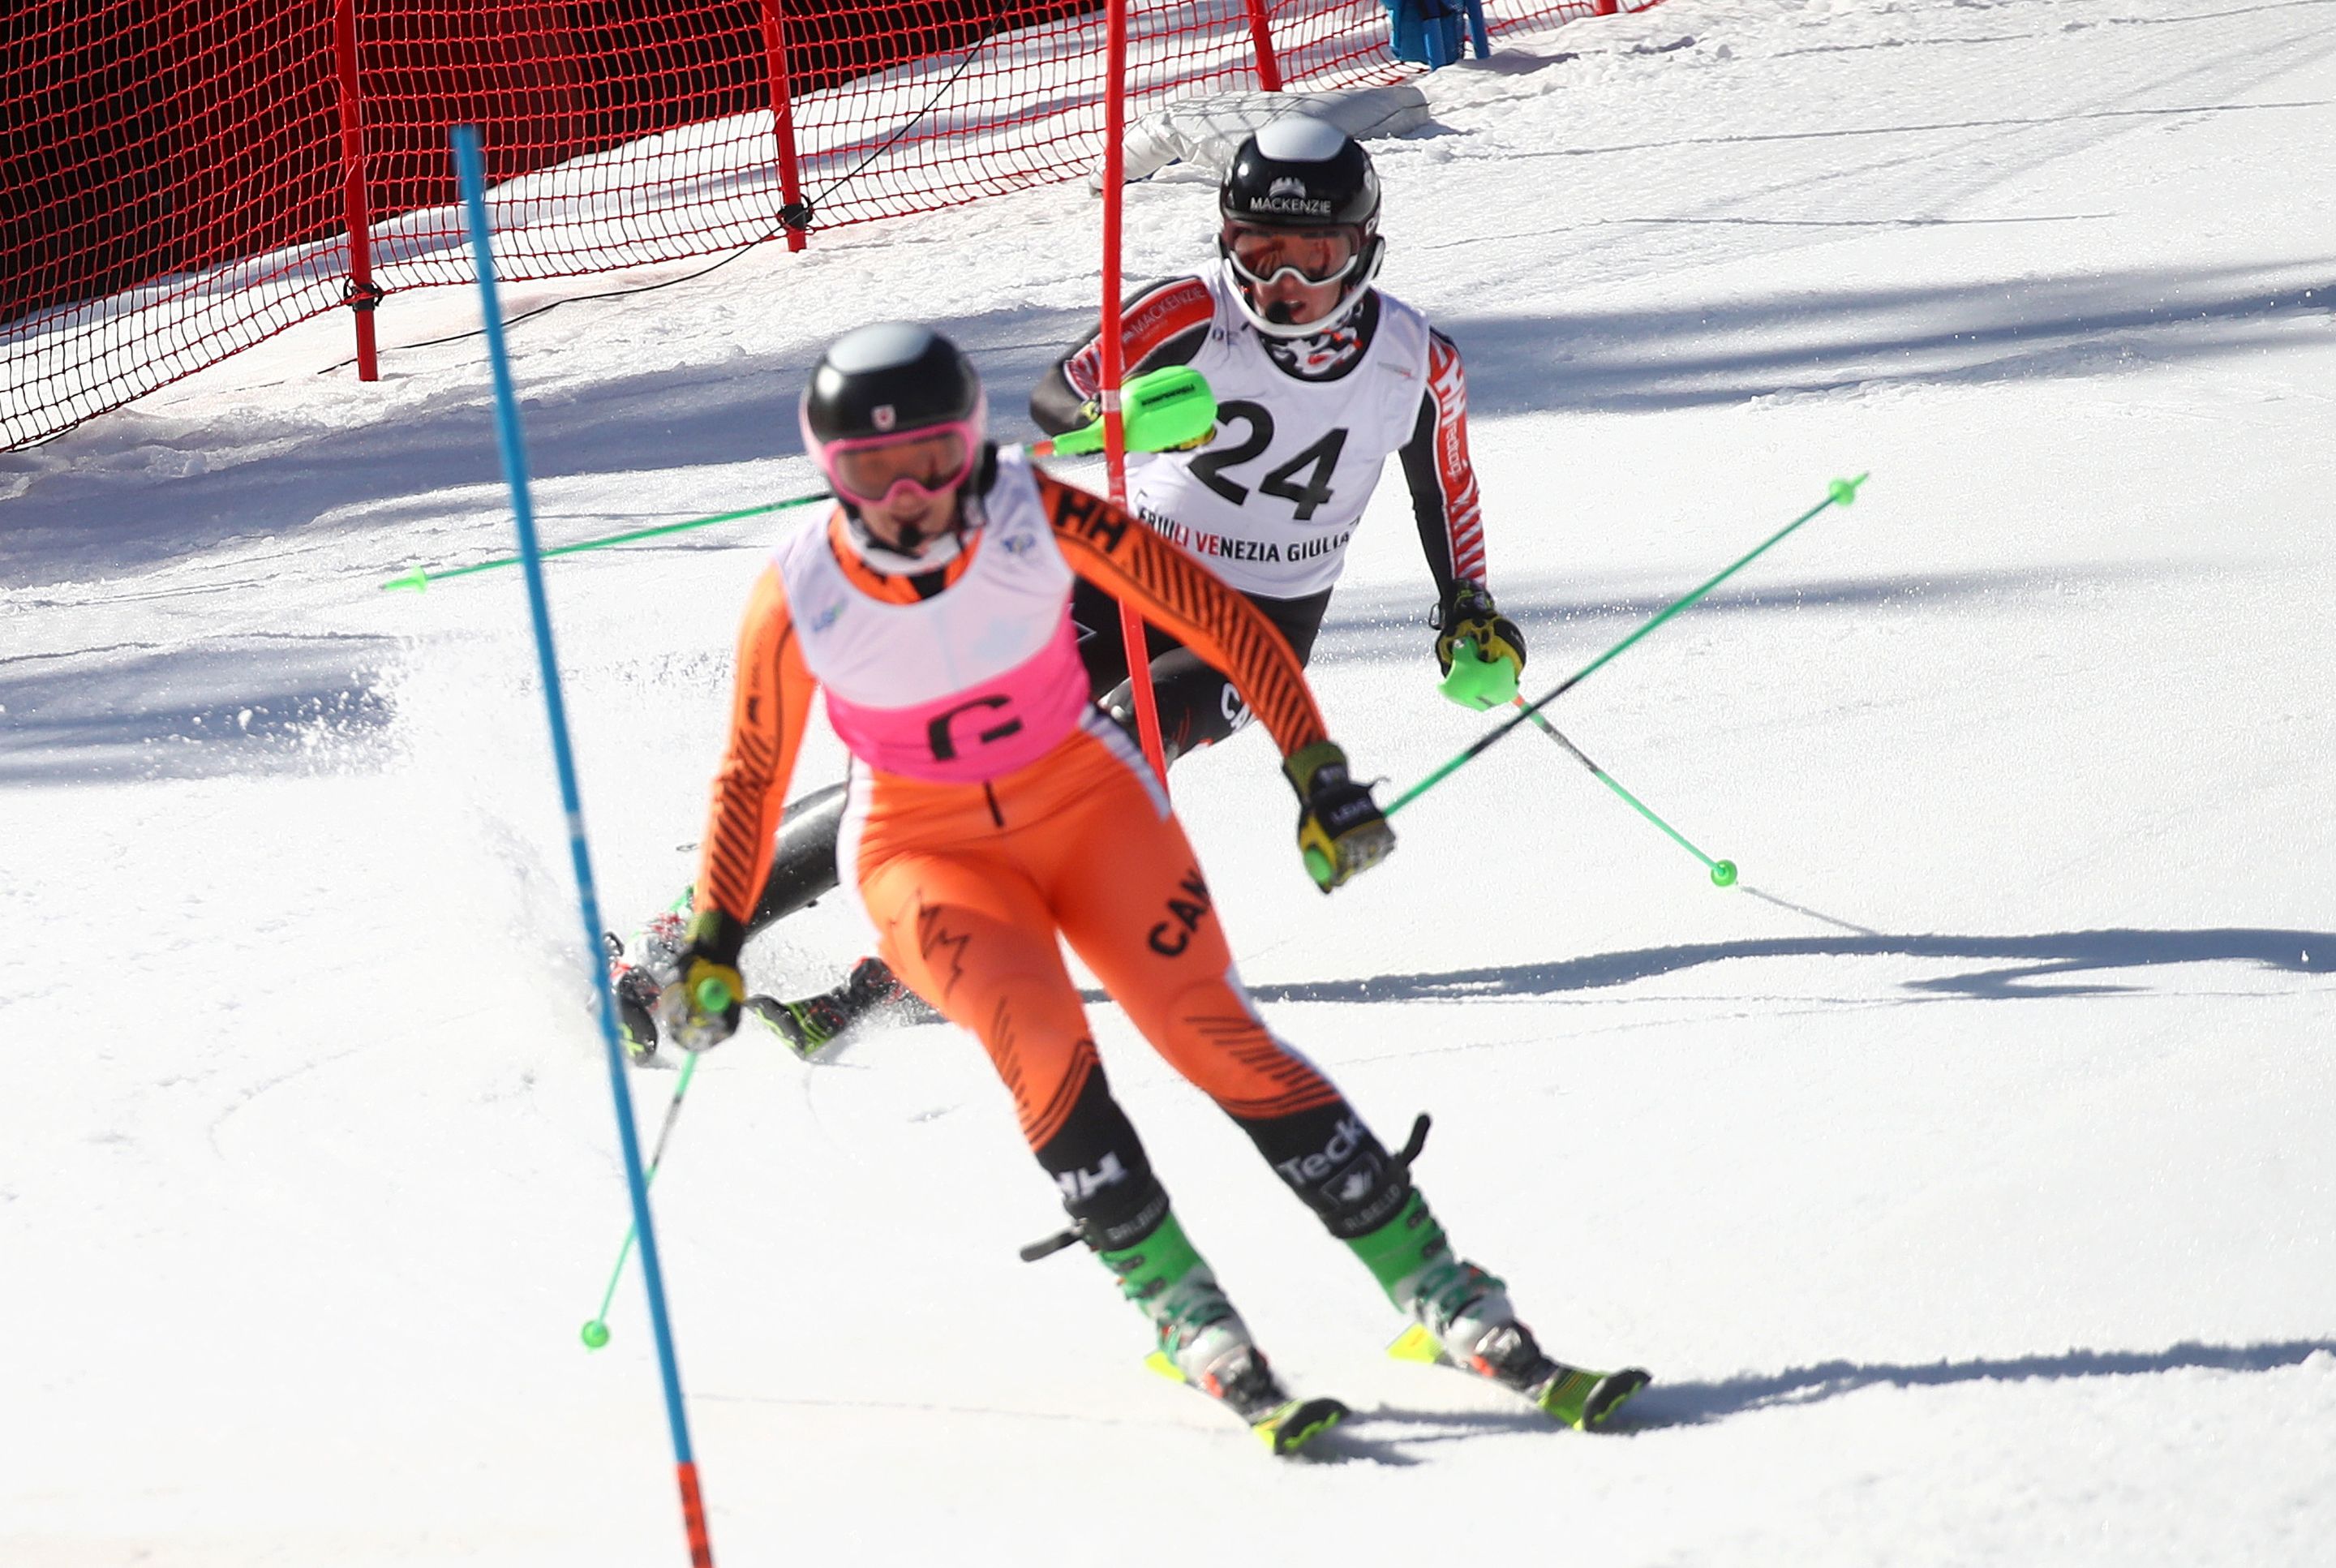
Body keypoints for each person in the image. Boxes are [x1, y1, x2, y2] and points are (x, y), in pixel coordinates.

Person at [646, 320, 1647, 1446]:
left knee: (1213, 1032)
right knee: (1042, 1044)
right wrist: (716, 938)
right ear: (831, 470)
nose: (911, 496)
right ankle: (1183, 1308)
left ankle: (1437, 1286)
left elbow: (1221, 622)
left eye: (932, 459)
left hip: (1091, 808)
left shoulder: (1036, 512)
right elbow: (749, 777)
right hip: (923, 852)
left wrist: (1318, 775)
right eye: (871, 473)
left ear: (969, 443)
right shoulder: (801, 591)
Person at [606, 116, 1528, 1054]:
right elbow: (1058, 398)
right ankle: (684, 936)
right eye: (1261, 253)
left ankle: (905, 970)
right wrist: (1119, 421)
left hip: (1253, 624)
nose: (1284, 287)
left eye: (1313, 257)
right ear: (1225, 239)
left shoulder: (1420, 361)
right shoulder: (1188, 312)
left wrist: (1467, 608)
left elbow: (1443, 482)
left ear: (1364, 248)